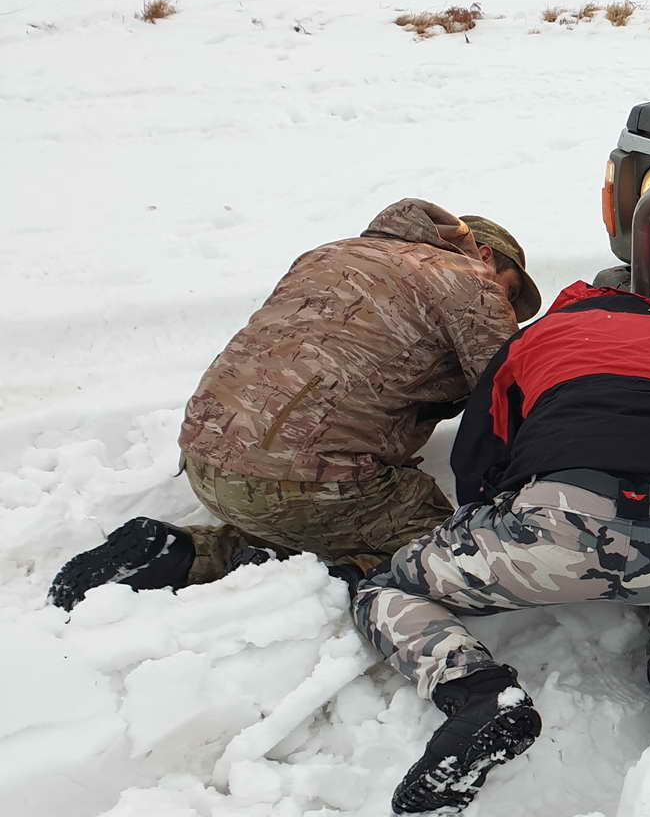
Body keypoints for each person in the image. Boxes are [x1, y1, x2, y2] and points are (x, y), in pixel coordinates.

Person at [353, 279, 650, 815]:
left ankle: (477, 693)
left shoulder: (533, 339)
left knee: (384, 588)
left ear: (570, 306)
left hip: (556, 524)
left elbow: (474, 467)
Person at [48, 201, 537, 611]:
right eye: (510, 292)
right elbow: (509, 396)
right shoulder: (469, 280)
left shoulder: (328, 254)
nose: (507, 310)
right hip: (303, 485)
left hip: (205, 459)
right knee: (451, 556)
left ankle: (181, 552)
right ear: (485, 255)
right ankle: (333, 577)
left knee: (318, 511)